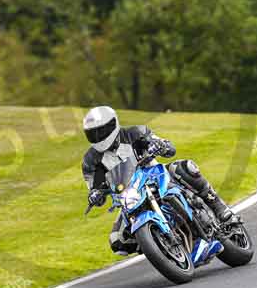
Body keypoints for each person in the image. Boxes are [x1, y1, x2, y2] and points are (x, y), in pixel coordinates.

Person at [81, 105, 236, 256]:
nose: (98, 137)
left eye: (101, 131)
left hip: (155, 175)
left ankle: (219, 207)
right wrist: (95, 195)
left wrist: (160, 145)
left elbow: (169, 148)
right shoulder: (90, 160)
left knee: (184, 167)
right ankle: (161, 244)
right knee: (118, 241)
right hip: (128, 195)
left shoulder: (135, 133)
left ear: (113, 124)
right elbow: (94, 187)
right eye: (93, 134)